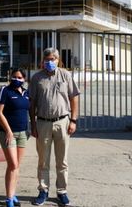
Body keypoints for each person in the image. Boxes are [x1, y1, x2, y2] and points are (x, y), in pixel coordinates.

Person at [29, 48, 80, 206]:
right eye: (47, 59)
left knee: (62, 160)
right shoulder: (37, 78)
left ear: (58, 60)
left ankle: (62, 191)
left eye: (53, 59)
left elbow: (74, 98)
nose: (50, 62)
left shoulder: (65, 75)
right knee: (43, 160)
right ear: (43, 61)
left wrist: (73, 120)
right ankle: (43, 191)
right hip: (42, 123)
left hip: (62, 122)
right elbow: (32, 102)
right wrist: (33, 124)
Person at [0, 68, 30, 207]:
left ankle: (12, 193)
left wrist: (29, 128)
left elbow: (28, 111)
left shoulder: (26, 93)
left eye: (19, 77)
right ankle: (9, 199)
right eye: (14, 77)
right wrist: (8, 131)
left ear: (24, 79)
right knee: (13, 165)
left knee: (16, 166)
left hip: (22, 134)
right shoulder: (5, 90)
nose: (16, 79)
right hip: (8, 134)